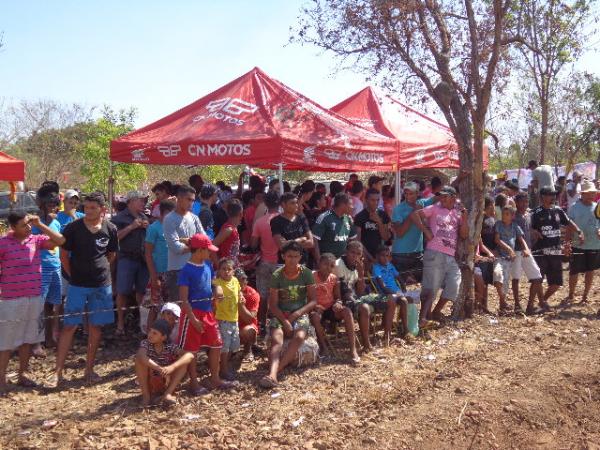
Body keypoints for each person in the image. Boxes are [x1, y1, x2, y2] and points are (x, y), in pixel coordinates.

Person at [52, 192, 118, 387]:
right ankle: (57, 372)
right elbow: (64, 255)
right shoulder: (72, 228)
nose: (88, 211)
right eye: (86, 207)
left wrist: (101, 272)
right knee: (70, 326)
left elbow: (111, 254)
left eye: (92, 208)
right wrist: (73, 275)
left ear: (102, 209)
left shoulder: (111, 228)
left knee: (96, 327)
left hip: (101, 285)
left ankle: (89, 369)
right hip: (77, 285)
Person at [0, 213, 65, 394]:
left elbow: (60, 240)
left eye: (28, 224)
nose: (28, 228)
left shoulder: (36, 240)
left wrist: (39, 224)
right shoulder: (3, 243)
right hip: (11, 299)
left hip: (34, 297)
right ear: (13, 227)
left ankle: (22, 374)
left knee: (28, 338)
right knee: (6, 341)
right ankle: (1, 379)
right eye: (23, 225)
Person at [177, 234, 234, 393]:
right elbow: (184, 299)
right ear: (200, 250)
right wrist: (193, 319)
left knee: (216, 344)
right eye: (208, 250)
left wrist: (218, 289)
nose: (211, 253)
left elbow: (213, 284)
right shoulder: (186, 270)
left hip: (208, 312)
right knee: (192, 350)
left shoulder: (208, 265)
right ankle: (194, 382)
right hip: (192, 314)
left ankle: (215, 378)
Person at [259, 241, 317, 389]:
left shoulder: (307, 273)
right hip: (280, 313)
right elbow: (273, 304)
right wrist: (285, 321)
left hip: (299, 312)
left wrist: (296, 314)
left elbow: (313, 301)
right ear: (283, 256)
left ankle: (276, 371)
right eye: (289, 256)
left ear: (300, 257)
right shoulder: (277, 275)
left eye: (296, 256)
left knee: (299, 337)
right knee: (277, 339)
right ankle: (273, 374)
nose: (293, 260)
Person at [410, 186, 468, 326]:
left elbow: (464, 234)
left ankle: (436, 311)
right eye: (440, 196)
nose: (442, 198)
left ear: (453, 198)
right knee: (431, 288)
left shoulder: (458, 213)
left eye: (445, 196)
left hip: (450, 254)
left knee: (454, 284)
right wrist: (426, 231)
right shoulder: (435, 208)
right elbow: (414, 215)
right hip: (434, 252)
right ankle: (424, 318)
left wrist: (464, 217)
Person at [531, 187, 584, 308]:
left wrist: (579, 231)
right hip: (541, 252)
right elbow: (527, 226)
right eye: (550, 195)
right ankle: (531, 305)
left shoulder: (558, 210)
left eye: (554, 195)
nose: (553, 197)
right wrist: (532, 231)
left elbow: (569, 222)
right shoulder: (535, 213)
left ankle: (542, 301)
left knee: (556, 284)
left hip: (555, 252)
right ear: (542, 197)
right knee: (537, 280)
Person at [111, 191, 150, 335]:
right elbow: (114, 238)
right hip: (126, 259)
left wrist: (147, 228)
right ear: (131, 202)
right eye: (140, 200)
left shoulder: (144, 216)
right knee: (122, 291)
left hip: (143, 260)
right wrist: (131, 227)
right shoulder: (119, 218)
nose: (143, 203)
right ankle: (120, 323)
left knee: (142, 291)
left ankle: (142, 323)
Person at [310, 253, 360, 364]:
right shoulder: (312, 277)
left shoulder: (334, 278)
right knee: (315, 317)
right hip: (317, 308)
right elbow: (307, 298)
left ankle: (353, 350)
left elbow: (337, 297)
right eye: (325, 264)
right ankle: (324, 347)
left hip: (330, 307)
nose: (328, 268)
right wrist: (315, 306)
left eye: (332, 266)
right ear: (319, 264)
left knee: (347, 311)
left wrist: (338, 303)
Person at [135, 319, 195, 407]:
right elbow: (141, 355)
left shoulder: (169, 347)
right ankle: (146, 396)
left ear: (163, 337)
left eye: (155, 333)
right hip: (152, 380)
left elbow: (190, 355)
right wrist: (160, 369)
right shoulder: (146, 344)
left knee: (183, 361)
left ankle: (167, 394)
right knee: (139, 360)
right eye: (150, 331)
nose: (150, 335)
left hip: (166, 381)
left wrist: (172, 367)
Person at [31, 190, 63, 350]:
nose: (53, 207)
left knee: (52, 305)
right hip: (40, 268)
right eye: (49, 204)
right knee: (38, 305)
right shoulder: (34, 224)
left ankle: (49, 338)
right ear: (41, 205)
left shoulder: (56, 223)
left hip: (55, 266)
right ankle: (36, 342)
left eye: (55, 204)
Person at [163, 184, 205, 303]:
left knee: (194, 308)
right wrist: (195, 244)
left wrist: (187, 241)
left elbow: (205, 241)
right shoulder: (169, 219)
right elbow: (176, 247)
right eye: (188, 199)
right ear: (179, 198)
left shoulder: (194, 218)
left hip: (195, 268)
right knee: (178, 310)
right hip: (177, 271)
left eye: (193, 200)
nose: (191, 203)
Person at [391, 182, 435, 287]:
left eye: (411, 193)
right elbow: (400, 233)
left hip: (418, 254)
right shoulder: (398, 209)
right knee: (402, 289)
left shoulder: (422, 203)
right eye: (406, 194)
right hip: (401, 255)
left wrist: (458, 179)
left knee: (419, 288)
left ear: (417, 193)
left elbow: (440, 196)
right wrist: (414, 213)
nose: (408, 196)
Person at [564, 180, 600, 305]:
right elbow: (569, 226)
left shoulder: (597, 207)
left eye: (593, 193)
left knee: (590, 271)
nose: (591, 195)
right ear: (582, 194)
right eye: (588, 193)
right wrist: (567, 243)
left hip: (594, 244)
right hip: (577, 244)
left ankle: (585, 295)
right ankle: (571, 294)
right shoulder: (574, 208)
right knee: (574, 271)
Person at [250, 191, 280, 332]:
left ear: (265, 204)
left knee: (263, 296)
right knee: (280, 296)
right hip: (280, 263)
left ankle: (261, 323)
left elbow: (253, 244)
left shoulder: (260, 222)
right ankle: (277, 324)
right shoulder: (283, 220)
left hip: (264, 262)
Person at [493, 206, 532, 314]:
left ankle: (502, 306)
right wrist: (509, 249)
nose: (504, 216)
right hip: (500, 256)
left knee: (504, 282)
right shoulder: (498, 225)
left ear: (512, 216)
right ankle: (503, 302)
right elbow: (497, 239)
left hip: (510, 259)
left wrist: (526, 249)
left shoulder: (515, 226)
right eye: (503, 214)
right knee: (497, 276)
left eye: (507, 214)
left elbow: (521, 239)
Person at [371, 246, 413, 344]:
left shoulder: (390, 265)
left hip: (397, 293)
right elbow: (382, 286)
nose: (385, 258)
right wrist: (396, 293)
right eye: (382, 256)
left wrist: (403, 287)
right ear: (377, 256)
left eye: (387, 256)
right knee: (396, 298)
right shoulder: (376, 268)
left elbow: (398, 277)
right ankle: (388, 334)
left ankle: (405, 329)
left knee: (405, 300)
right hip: (384, 294)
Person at [511, 192, 544, 315]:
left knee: (537, 277)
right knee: (516, 278)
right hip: (517, 250)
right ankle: (517, 305)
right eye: (522, 201)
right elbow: (517, 234)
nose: (524, 204)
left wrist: (534, 232)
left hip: (527, 250)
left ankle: (530, 305)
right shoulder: (513, 216)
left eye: (526, 201)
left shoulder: (528, 215)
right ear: (516, 202)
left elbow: (527, 228)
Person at [145, 200, 176, 330]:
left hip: (173, 272)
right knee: (155, 306)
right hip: (158, 273)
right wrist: (154, 277)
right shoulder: (154, 228)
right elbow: (148, 253)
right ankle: (149, 335)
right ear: (162, 214)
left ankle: (166, 336)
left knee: (171, 306)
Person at [213, 258, 243, 380]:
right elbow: (214, 287)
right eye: (223, 269)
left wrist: (241, 297)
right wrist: (217, 294)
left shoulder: (235, 281)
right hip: (222, 319)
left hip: (234, 318)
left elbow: (239, 291)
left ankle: (224, 366)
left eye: (229, 269)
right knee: (224, 347)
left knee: (233, 345)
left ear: (233, 271)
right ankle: (223, 370)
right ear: (219, 271)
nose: (226, 272)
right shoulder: (217, 282)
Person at [270, 192, 314, 264]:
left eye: (296, 202)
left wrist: (289, 243)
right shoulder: (276, 221)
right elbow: (282, 246)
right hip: (285, 264)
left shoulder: (302, 218)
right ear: (283, 205)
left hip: (302, 262)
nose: (296, 205)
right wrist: (300, 239)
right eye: (292, 203)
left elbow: (311, 243)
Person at [312, 192, 357, 260]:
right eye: (350, 204)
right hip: (327, 263)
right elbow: (314, 241)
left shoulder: (348, 219)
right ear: (342, 205)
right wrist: (319, 261)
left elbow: (353, 241)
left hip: (342, 263)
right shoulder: (324, 218)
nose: (352, 207)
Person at [354, 188, 391, 264]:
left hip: (380, 256)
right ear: (366, 200)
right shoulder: (359, 216)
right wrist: (369, 258)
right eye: (372, 200)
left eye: (377, 200)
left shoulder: (383, 215)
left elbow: (386, 237)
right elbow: (358, 240)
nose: (375, 203)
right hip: (365, 256)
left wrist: (379, 221)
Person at [235, 268, 260, 360]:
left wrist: (239, 303)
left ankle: (247, 349)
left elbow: (250, 319)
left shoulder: (252, 294)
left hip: (244, 326)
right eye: (237, 280)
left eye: (243, 279)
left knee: (249, 331)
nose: (241, 283)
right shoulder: (224, 292)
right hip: (228, 326)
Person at [213, 199, 243, 266]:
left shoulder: (233, 228)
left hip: (231, 268)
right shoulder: (228, 230)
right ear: (241, 214)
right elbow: (212, 246)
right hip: (225, 270)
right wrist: (219, 265)